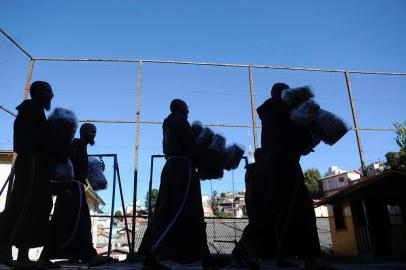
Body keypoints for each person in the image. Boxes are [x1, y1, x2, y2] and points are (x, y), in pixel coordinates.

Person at [139, 99, 227, 270]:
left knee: (177, 212)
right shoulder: (179, 121)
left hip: (173, 168)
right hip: (182, 170)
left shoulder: (168, 123)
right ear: (180, 107)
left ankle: (204, 257)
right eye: (187, 108)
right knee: (179, 212)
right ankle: (151, 255)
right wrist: (210, 165)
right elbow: (191, 147)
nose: (188, 111)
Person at [254, 83, 333, 270]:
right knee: (301, 207)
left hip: (275, 162)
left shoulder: (270, 112)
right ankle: (311, 257)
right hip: (287, 162)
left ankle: (274, 254)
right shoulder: (283, 111)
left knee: (277, 208)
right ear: (284, 94)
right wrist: (308, 141)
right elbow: (293, 136)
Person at [0, 81, 54, 269]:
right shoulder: (30, 110)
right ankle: (5, 249)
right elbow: (34, 140)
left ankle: (22, 255)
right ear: (37, 92)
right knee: (24, 204)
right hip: (31, 163)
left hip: (37, 165)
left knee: (37, 208)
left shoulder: (37, 112)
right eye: (48, 91)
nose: (52, 95)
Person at [40, 123, 109, 266]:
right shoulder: (76, 146)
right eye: (90, 131)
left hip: (76, 188)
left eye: (94, 132)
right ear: (82, 132)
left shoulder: (81, 148)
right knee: (75, 222)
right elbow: (65, 164)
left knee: (69, 222)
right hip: (71, 188)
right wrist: (63, 186)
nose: (93, 134)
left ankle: (74, 254)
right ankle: (86, 255)